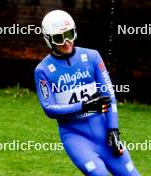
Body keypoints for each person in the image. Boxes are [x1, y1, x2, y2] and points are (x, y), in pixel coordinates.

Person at [34, 10, 140, 176]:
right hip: (75, 137)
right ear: (48, 39)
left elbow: (109, 95)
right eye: (59, 38)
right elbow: (49, 108)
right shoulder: (43, 70)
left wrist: (113, 130)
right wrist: (84, 106)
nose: (67, 42)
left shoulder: (92, 56)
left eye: (69, 35)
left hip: (103, 131)